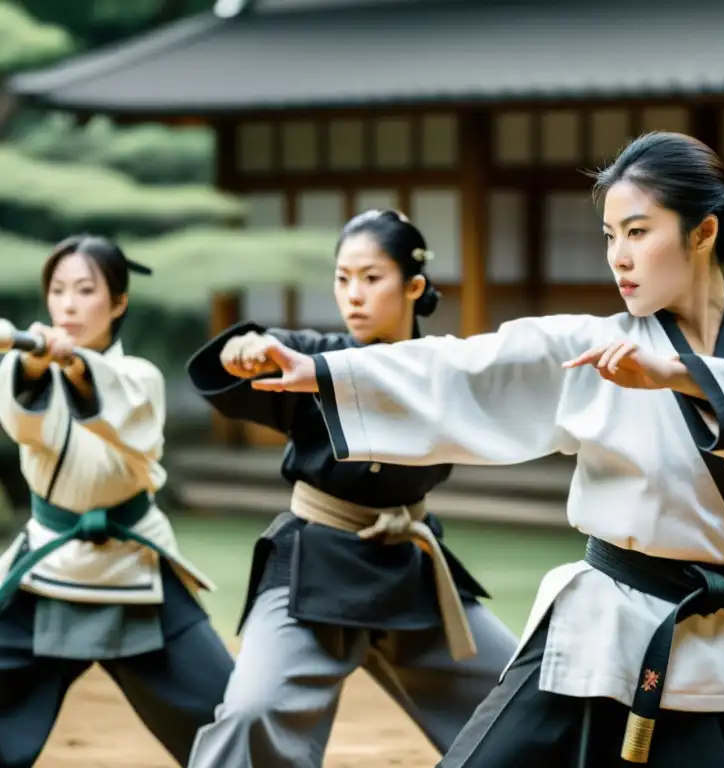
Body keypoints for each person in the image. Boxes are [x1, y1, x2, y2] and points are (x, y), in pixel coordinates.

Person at [245, 134, 724, 767]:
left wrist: (676, 374)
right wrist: (324, 372)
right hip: (608, 628)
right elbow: (467, 367)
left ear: (703, 233)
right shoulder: (591, 349)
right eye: (610, 237)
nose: (618, 257)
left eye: (637, 232)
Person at [185, 209, 519, 768]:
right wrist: (240, 350)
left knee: (521, 704)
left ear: (413, 287)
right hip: (313, 561)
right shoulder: (311, 355)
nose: (353, 295)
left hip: (410, 566)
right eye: (342, 279)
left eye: (370, 278)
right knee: (251, 712)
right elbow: (249, 356)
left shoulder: (447, 369)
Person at [0, 235, 235, 768]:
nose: (68, 304)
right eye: (58, 290)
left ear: (118, 302)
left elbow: (125, 413)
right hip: (50, 561)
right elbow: (24, 420)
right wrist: (34, 367)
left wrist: (78, 369)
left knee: (231, 713)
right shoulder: (31, 370)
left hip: (135, 565)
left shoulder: (139, 377)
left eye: (85, 290)